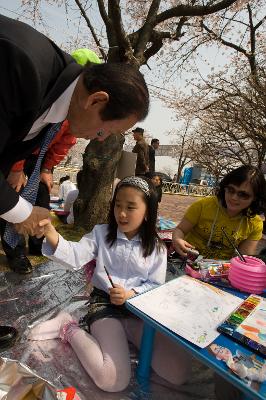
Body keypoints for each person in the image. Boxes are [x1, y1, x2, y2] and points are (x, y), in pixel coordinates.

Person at [29, 176, 191, 392]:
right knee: (112, 381)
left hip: (139, 312)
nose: (121, 213)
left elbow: (155, 285)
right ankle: (67, 326)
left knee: (177, 373)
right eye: (118, 205)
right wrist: (51, 233)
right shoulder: (101, 234)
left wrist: (131, 294)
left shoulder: (157, 248)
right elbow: (75, 255)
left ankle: (125, 337)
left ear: (148, 212)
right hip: (105, 306)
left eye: (131, 207)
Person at [0, 14, 149, 241]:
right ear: (96, 100)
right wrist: (22, 212)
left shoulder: (55, 98)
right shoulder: (21, 67)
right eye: (104, 131)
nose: (100, 138)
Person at [172, 165, 266, 260]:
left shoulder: (255, 223)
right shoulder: (203, 206)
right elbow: (180, 230)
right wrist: (177, 239)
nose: (234, 197)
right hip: (186, 261)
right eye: (231, 190)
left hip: (220, 271)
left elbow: (244, 259)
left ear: (255, 198)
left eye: (243, 195)